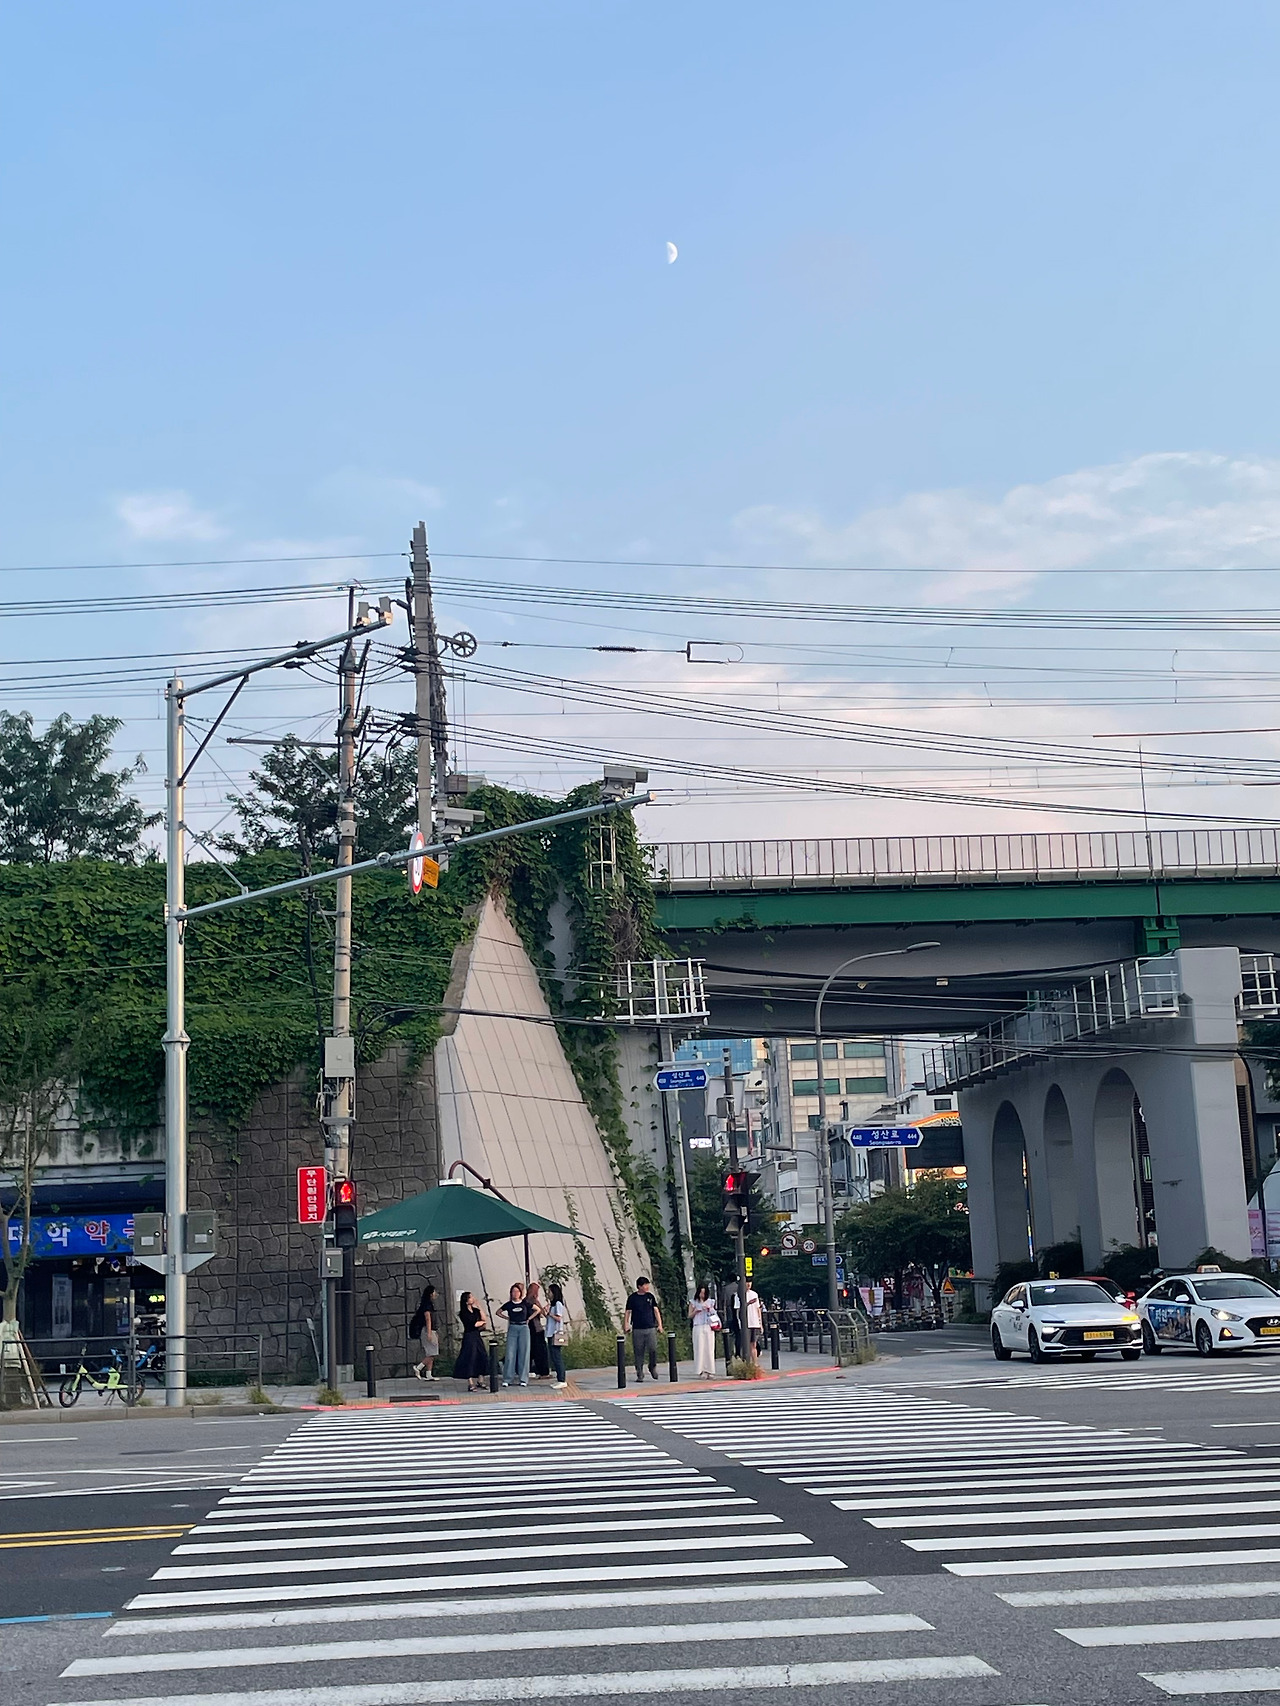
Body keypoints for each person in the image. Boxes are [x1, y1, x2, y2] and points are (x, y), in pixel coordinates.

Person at [623, 1275, 663, 1381]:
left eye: (647, 1285)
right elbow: (628, 1312)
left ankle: (652, 1366)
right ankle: (639, 1372)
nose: (647, 1287)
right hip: (637, 1328)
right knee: (638, 1351)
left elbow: (656, 1310)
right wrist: (626, 1324)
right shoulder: (632, 1298)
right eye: (645, 1285)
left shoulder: (650, 1296)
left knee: (653, 1349)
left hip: (650, 1327)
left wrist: (660, 1325)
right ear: (639, 1286)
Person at [453, 1290, 489, 1393]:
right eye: (470, 1297)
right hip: (469, 1336)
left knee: (482, 1355)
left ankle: (481, 1379)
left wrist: (479, 1306)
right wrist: (480, 1323)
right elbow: (472, 1324)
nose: (472, 1298)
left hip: (477, 1335)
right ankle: (470, 1382)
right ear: (466, 1300)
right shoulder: (463, 1313)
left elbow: (484, 1318)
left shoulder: (475, 1310)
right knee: (470, 1357)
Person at [497, 1282, 532, 1387]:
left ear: (520, 1293)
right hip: (513, 1327)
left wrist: (529, 1319)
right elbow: (498, 1312)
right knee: (510, 1353)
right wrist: (507, 1318)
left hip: (523, 1327)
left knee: (524, 1353)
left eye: (517, 1291)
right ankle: (508, 1378)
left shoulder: (525, 1303)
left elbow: (537, 1309)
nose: (515, 1293)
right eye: (513, 1291)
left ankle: (523, 1379)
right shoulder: (509, 1304)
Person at [410, 1283, 441, 1380]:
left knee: (430, 1353)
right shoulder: (427, 1305)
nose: (436, 1294)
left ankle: (429, 1374)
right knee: (432, 1353)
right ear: (431, 1294)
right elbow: (428, 1319)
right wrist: (429, 1333)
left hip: (430, 1330)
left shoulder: (427, 1304)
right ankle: (418, 1367)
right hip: (428, 1330)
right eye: (434, 1292)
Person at [544, 1283, 570, 1389]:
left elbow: (559, 1318)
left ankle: (562, 1379)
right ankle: (559, 1379)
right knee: (554, 1357)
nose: (548, 1293)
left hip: (556, 1333)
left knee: (557, 1357)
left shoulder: (558, 1304)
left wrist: (550, 1314)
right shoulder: (553, 1305)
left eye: (550, 1291)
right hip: (550, 1333)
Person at [689, 1284, 717, 1379]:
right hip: (698, 1326)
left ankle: (710, 1370)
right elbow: (689, 1315)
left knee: (709, 1348)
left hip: (708, 1326)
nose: (702, 1295)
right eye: (701, 1293)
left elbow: (714, 1313)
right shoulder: (693, 1302)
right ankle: (701, 1370)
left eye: (704, 1293)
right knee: (699, 1348)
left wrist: (709, 1309)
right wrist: (696, 1311)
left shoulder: (710, 1302)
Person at [526, 1280, 551, 1379]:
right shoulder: (534, 1301)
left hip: (529, 1328)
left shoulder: (525, 1301)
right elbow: (542, 1313)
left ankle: (530, 1370)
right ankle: (543, 1372)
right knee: (541, 1351)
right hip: (537, 1328)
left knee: (531, 1350)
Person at [745, 1282, 764, 1360]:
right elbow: (738, 1310)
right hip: (746, 1323)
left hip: (754, 1322)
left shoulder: (754, 1294)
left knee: (754, 1344)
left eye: (750, 1282)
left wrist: (760, 1323)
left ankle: (755, 1363)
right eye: (747, 1282)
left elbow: (758, 1309)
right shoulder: (739, 1295)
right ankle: (747, 1362)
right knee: (746, 1345)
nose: (748, 1284)